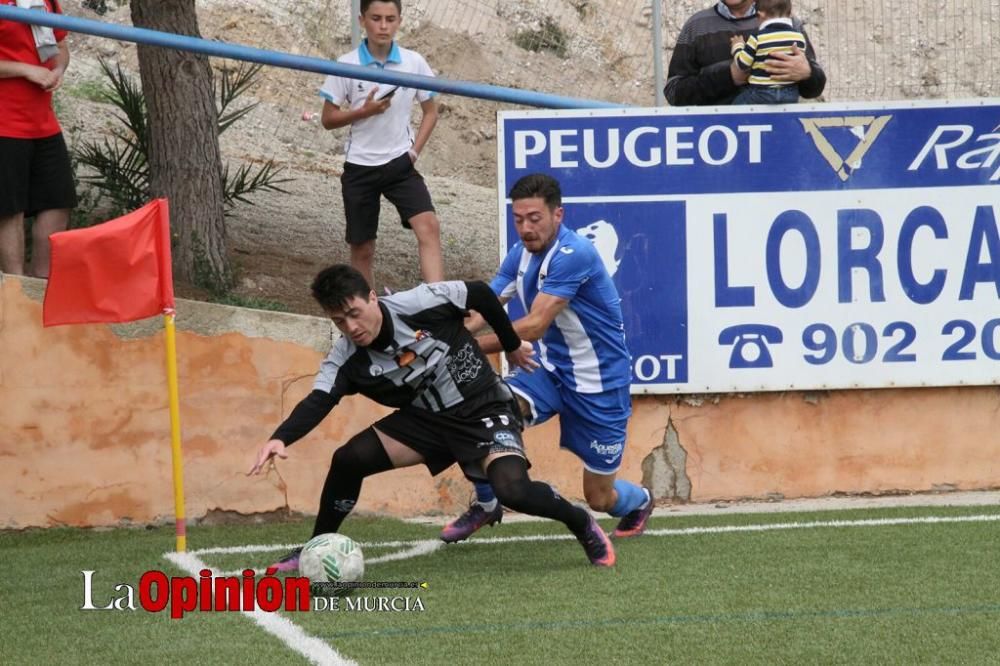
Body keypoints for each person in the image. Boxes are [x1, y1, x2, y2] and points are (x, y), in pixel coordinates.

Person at [248, 265, 616, 569]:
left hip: (482, 405)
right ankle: (315, 547)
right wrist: (280, 437)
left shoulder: (420, 302)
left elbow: (480, 294)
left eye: (355, 313)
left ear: (373, 298)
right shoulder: (346, 358)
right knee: (348, 460)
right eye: (340, 321)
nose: (352, 327)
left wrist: (509, 344)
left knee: (513, 490)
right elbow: (318, 400)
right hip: (426, 421)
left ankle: (580, 522)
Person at [440, 174, 654, 545]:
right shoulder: (519, 253)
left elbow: (535, 325)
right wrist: (443, 333)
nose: (525, 227)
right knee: (479, 413)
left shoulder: (575, 255)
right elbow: (482, 310)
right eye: (518, 219)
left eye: (534, 218)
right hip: (549, 372)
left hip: (599, 385)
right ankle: (489, 503)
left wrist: (462, 348)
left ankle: (642, 501)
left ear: (558, 215)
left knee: (600, 498)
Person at [318, 0, 443, 289]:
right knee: (362, 248)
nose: (383, 26)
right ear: (362, 20)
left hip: (400, 162)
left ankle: (439, 303)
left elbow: (431, 112)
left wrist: (413, 153)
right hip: (360, 166)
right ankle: (369, 318)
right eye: (376, 18)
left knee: (429, 227)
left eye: (390, 18)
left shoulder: (413, 62)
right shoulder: (346, 64)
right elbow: (328, 119)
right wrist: (363, 111)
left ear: (400, 21)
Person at [0, 0, 77, 278]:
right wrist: (24, 69)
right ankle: (15, 292)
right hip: (4, 123)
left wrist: (59, 69)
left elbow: (62, 45)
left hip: (43, 122)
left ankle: (41, 286)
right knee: (10, 211)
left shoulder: (47, 1)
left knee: (58, 201)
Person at [664, 0, 825, 107]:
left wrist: (807, 73)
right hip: (719, 142)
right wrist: (729, 77)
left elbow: (815, 88)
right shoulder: (696, 26)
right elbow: (674, 93)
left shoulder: (788, 23)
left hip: (779, 138)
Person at [729, 0, 807, 105]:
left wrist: (737, 46)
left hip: (761, 93)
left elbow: (742, 64)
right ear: (790, 13)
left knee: (735, 109)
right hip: (790, 93)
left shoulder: (757, 38)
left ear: (760, 14)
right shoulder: (799, 37)